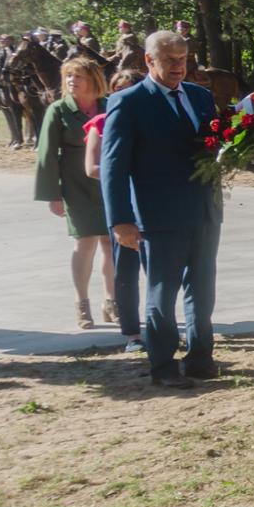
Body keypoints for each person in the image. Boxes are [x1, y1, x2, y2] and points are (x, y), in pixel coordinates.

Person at [101, 31, 254, 388]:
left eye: (182, 59)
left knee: (202, 289)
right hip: (158, 216)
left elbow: (219, 148)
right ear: (149, 61)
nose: (178, 66)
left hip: (204, 210)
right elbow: (113, 166)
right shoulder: (128, 102)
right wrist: (120, 220)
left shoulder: (200, 97)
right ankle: (163, 366)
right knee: (161, 294)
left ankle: (201, 358)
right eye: (169, 59)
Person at [34, 57, 113, 329]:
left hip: (108, 183)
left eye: (77, 76)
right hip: (75, 185)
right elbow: (46, 155)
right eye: (68, 76)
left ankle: (111, 302)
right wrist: (52, 194)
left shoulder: (110, 105)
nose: (71, 81)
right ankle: (82, 304)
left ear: (93, 79)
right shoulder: (58, 110)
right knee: (85, 243)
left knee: (111, 243)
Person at [85, 69, 146, 351]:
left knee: (162, 273)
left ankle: (164, 328)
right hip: (125, 205)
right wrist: (124, 169)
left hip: (155, 204)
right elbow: (93, 168)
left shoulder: (153, 121)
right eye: (117, 90)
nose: (122, 95)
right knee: (126, 273)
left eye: (130, 89)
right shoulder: (101, 122)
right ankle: (132, 334)